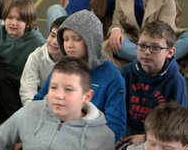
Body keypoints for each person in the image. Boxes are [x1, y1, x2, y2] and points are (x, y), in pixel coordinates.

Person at [34, 10, 126, 141]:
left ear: (92, 41)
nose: (69, 45)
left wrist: (91, 147)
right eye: (65, 39)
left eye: (77, 39)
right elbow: (38, 102)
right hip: (52, 135)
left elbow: (115, 126)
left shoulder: (112, 77)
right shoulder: (61, 68)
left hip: (89, 142)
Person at [119, 21, 187, 141]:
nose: (147, 52)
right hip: (127, 130)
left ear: (170, 52)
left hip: (159, 136)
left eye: (155, 47)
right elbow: (116, 109)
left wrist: (146, 138)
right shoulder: (125, 73)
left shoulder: (176, 80)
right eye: (142, 45)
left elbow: (176, 123)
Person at [19, 15, 64, 105]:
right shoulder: (36, 56)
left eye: (60, 39)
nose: (54, 42)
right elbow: (27, 90)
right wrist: (32, 110)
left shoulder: (73, 61)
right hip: (40, 99)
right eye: (52, 35)